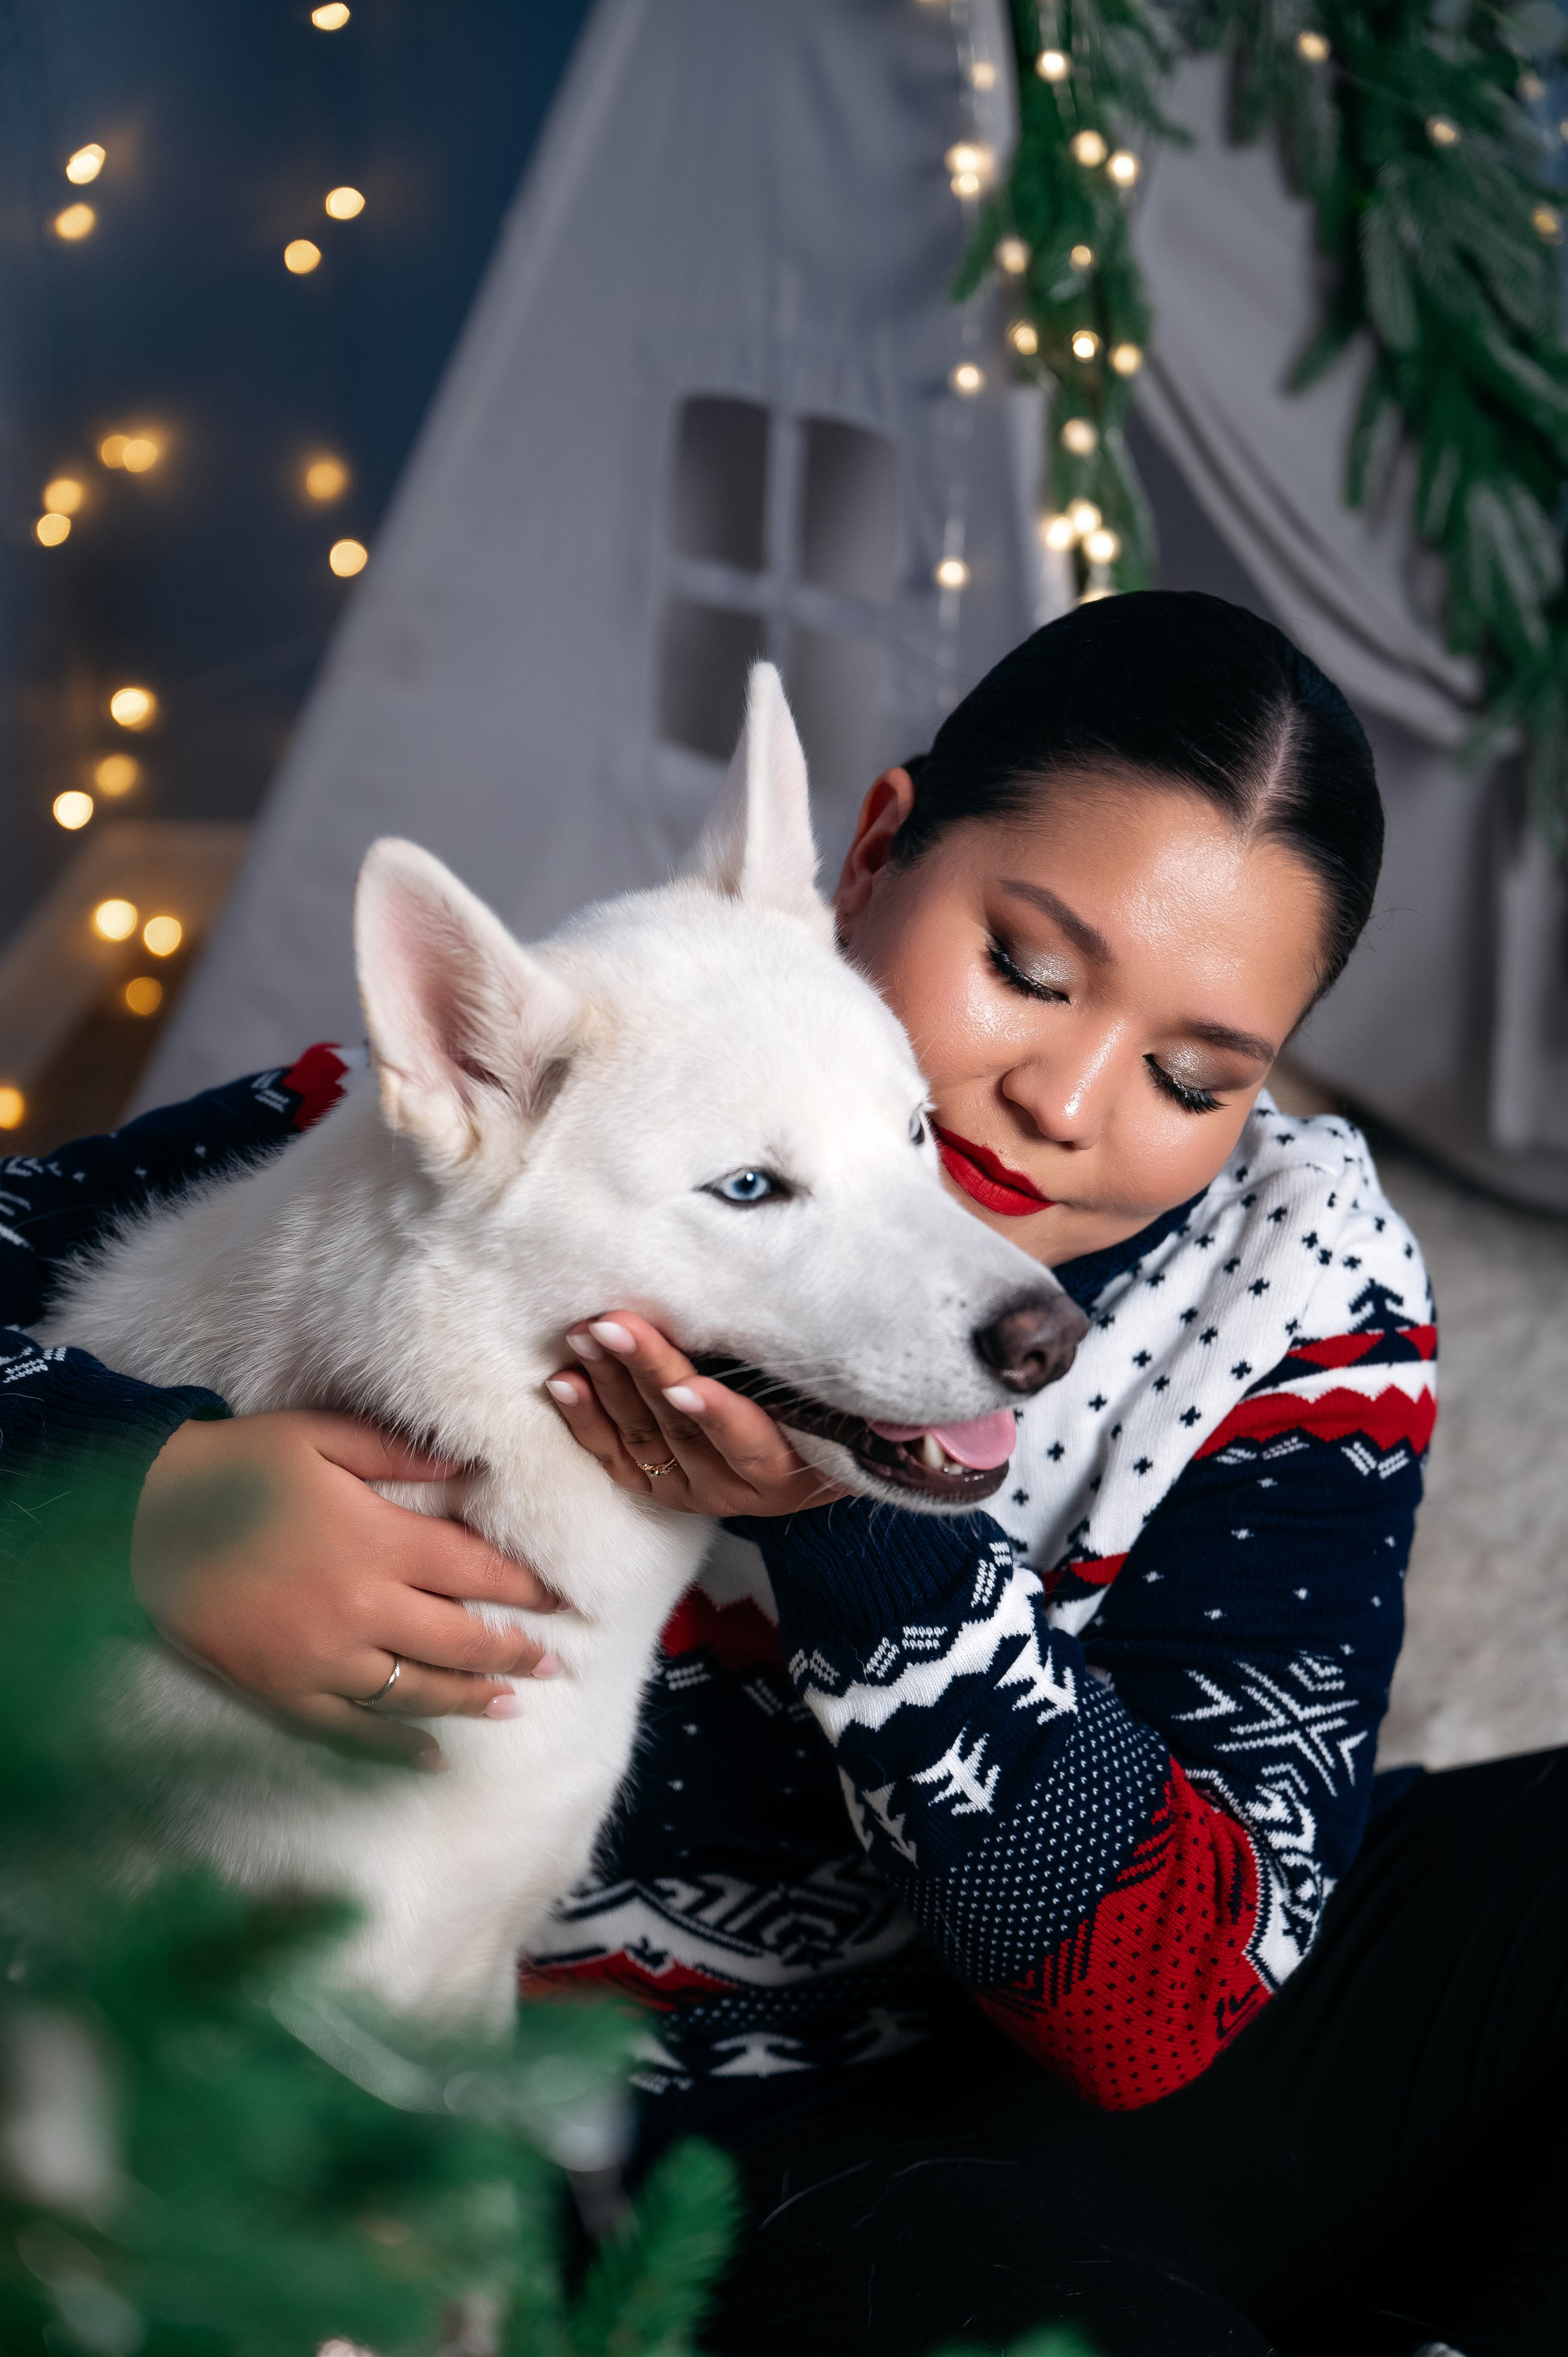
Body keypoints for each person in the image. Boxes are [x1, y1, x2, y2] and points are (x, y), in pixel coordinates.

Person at [1, 593, 1560, 2357]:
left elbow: (1173, 1996)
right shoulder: (449, 1137)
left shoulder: (1302, 1284)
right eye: (1027, 973)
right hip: (724, 2141)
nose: (1068, 1097)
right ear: (869, 857)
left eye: (1195, 1075)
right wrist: (139, 1492)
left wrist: (844, 1529)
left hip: (1115, 2046)